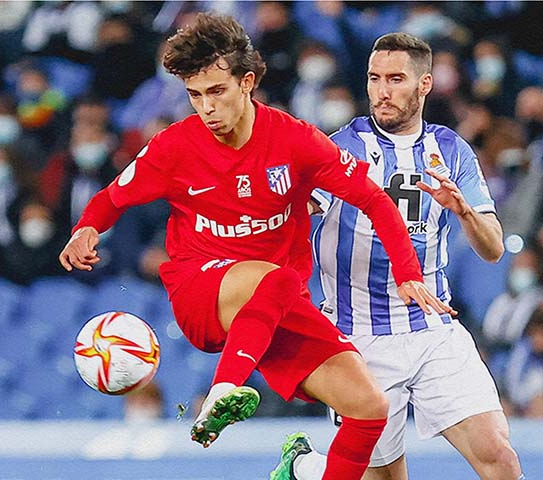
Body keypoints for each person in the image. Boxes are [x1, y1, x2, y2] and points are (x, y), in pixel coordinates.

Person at [58, 14, 453, 480]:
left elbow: (373, 200)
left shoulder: (296, 141)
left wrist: (408, 272)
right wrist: (86, 228)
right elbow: (111, 197)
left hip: (276, 306)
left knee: (370, 407)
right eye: (195, 95)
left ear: (247, 82)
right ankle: (225, 388)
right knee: (276, 276)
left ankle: (302, 472)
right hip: (202, 290)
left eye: (217, 91)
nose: (206, 108)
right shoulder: (174, 147)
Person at [271, 33, 525, 480]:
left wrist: (464, 210)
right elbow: (296, 207)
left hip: (434, 330)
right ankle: (306, 468)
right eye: (374, 79)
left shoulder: (450, 150)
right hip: (357, 338)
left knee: (500, 459)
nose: (382, 91)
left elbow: (493, 249)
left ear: (424, 84)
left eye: (395, 79)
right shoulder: (340, 148)